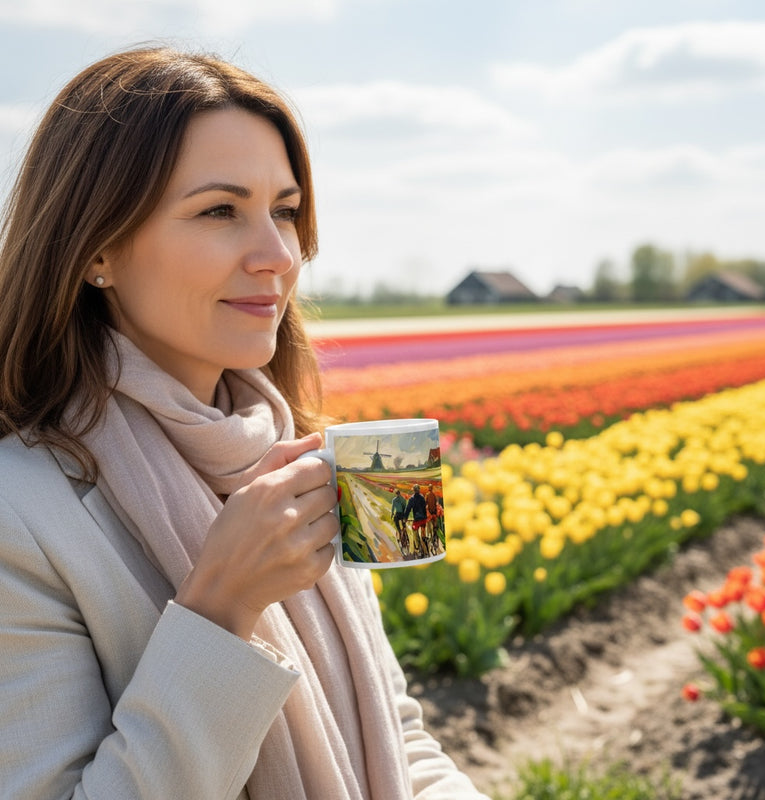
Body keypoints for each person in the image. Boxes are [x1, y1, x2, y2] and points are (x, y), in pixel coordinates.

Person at [0, 46, 490, 800]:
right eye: (221, 211)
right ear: (97, 247)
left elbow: (397, 742)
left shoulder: (293, 452)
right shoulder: (21, 513)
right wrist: (219, 609)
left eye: (286, 211)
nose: (279, 255)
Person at [405, 484, 429, 559]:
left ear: (414, 490)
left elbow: (408, 509)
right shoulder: (422, 497)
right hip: (423, 519)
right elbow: (424, 508)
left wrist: (405, 518)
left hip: (417, 520)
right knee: (423, 531)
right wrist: (425, 517)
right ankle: (425, 545)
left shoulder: (412, 499)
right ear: (419, 490)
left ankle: (418, 548)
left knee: (414, 530)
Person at [391, 488, 409, 555]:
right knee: (404, 526)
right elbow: (405, 507)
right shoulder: (403, 499)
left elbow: (393, 508)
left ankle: (400, 532)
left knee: (397, 526)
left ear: (396, 493)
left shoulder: (394, 500)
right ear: (400, 493)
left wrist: (392, 514)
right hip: (403, 514)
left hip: (397, 514)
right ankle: (404, 532)